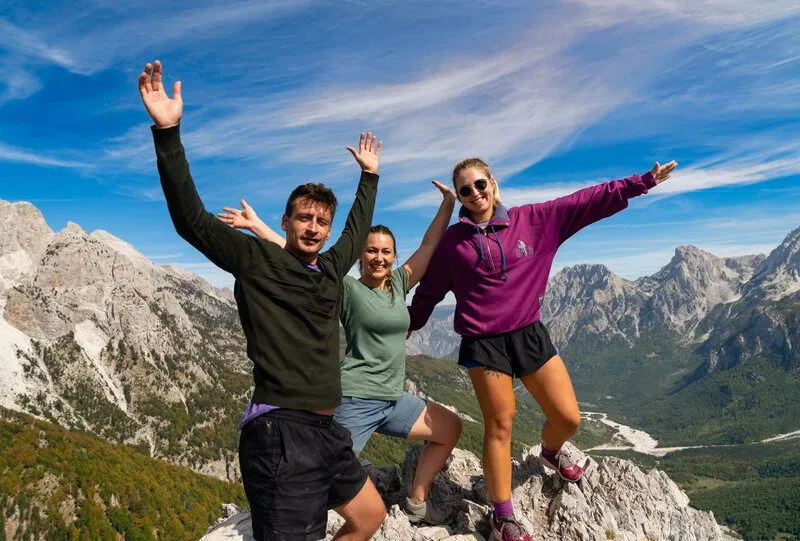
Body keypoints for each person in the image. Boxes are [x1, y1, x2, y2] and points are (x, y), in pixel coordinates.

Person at [138, 59, 388, 541]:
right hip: (280, 434)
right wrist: (168, 133)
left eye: (321, 222)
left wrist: (370, 177)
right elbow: (192, 220)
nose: (313, 228)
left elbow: (357, 232)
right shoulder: (255, 259)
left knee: (370, 516)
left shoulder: (331, 269)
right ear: (286, 221)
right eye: (304, 218)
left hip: (326, 431)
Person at [407, 157, 677, 541]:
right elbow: (429, 292)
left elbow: (586, 201)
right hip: (483, 342)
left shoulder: (535, 220)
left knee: (568, 418)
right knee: (501, 423)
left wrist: (642, 182)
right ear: (461, 198)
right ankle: (503, 517)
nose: (474, 194)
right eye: (465, 190)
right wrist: (407, 324)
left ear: (492, 183)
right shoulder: (453, 243)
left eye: (480, 184)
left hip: (529, 333)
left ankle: (551, 451)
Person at [218, 181, 464, 525]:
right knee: (319, 474)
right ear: (360, 255)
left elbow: (428, 245)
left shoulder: (399, 283)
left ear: (394, 256)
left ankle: (417, 502)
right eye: (371, 250)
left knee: (450, 428)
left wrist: (449, 203)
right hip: (355, 398)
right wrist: (258, 227)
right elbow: (298, 257)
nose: (378, 257)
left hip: (393, 398)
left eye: (386, 251)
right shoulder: (345, 287)